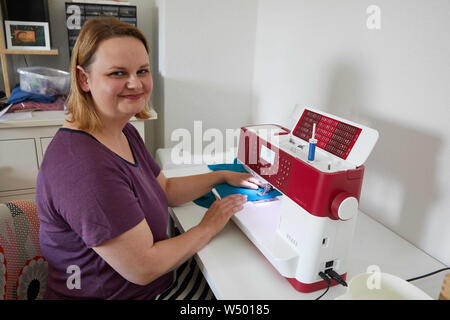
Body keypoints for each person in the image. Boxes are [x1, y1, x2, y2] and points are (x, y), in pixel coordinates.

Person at [36, 17, 263, 300]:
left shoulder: (123, 131)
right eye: (118, 73)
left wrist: (221, 176)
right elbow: (144, 267)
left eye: (142, 70)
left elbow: (165, 189)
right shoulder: (84, 167)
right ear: (84, 79)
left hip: (153, 283)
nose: (136, 83)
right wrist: (208, 226)